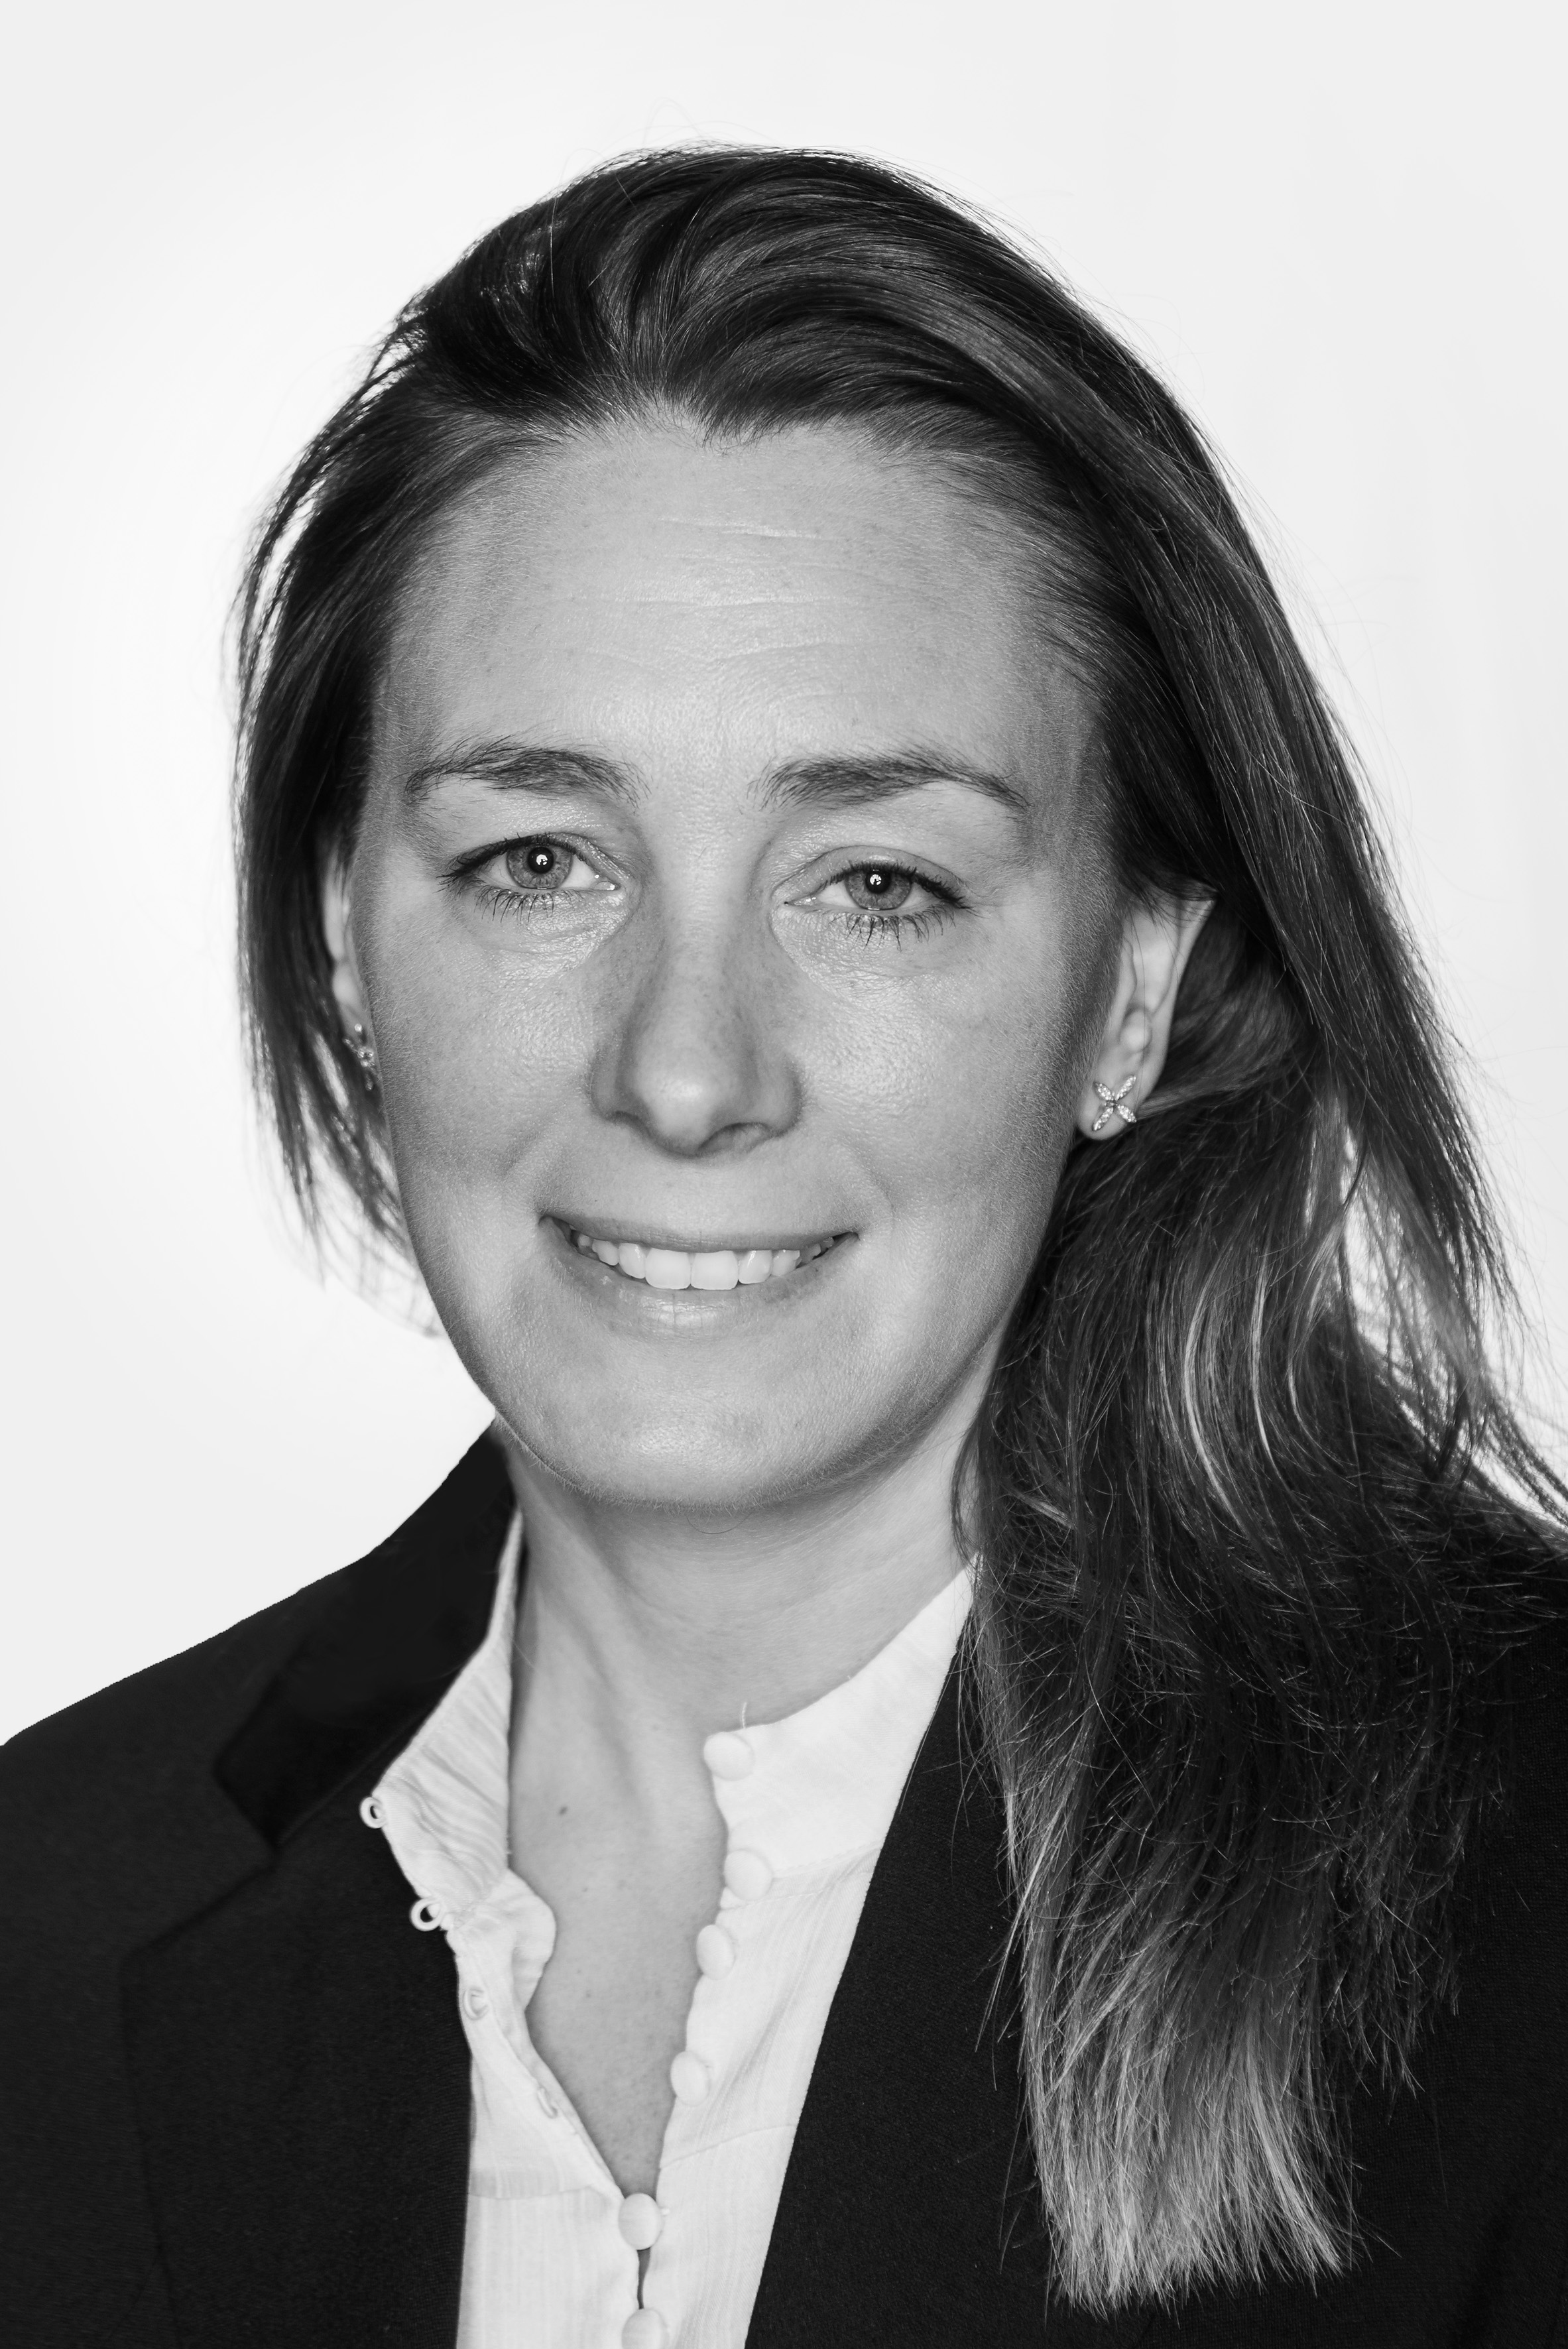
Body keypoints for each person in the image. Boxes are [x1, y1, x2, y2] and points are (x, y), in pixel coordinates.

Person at [3, 146, 1565, 2349]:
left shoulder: (1527, 1910)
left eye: (879, 885)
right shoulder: (44, 1929)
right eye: (539, 859)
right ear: (347, 934)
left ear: (1131, 991)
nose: (686, 1072)